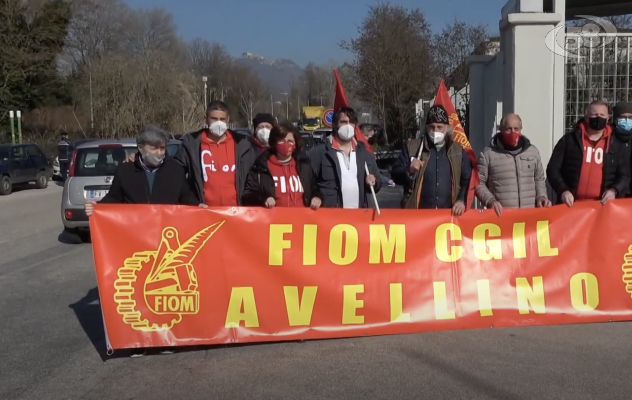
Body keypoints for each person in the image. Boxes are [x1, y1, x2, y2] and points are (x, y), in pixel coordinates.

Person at [84, 125, 203, 357]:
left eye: (163, 148)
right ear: (140, 148)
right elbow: (114, 198)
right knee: (140, 293)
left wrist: (199, 208)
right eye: (155, 148)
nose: (161, 152)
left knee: (166, 293)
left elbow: (187, 197)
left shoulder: (175, 171)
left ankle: (167, 339)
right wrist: (97, 209)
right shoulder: (126, 171)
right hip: (136, 245)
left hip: (165, 244)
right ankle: (140, 340)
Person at [126, 101, 256, 206]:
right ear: (206, 119)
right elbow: (174, 169)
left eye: (222, 119)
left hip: (237, 213)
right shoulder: (192, 143)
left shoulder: (242, 144)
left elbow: (255, 177)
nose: (218, 123)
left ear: (228, 120)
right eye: (214, 118)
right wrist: (139, 158)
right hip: (203, 211)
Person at [547, 100, 630, 207]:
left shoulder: (616, 144)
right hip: (571, 205)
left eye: (602, 115)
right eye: (595, 115)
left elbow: (624, 175)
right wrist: (563, 190)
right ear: (586, 117)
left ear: (608, 118)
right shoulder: (569, 140)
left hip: (604, 206)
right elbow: (553, 169)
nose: (598, 118)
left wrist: (614, 191)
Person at [391, 104, 471, 215]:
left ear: (447, 128)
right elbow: (395, 174)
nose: (435, 131)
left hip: (449, 215)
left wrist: (461, 200)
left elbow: (467, 178)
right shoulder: (413, 147)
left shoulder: (457, 150)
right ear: (426, 127)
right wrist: (409, 170)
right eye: (432, 127)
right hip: (418, 215)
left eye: (439, 127)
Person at [476, 113, 551, 216]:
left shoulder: (532, 152)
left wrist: (541, 197)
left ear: (521, 129)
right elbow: (478, 182)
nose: (513, 132)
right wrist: (490, 201)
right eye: (508, 129)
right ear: (501, 130)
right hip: (502, 217)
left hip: (529, 216)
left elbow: (539, 179)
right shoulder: (488, 154)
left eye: (516, 129)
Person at [308, 107, 381, 208]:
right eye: (343, 122)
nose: (348, 125)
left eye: (351, 122)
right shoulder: (319, 153)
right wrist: (316, 196)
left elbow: (378, 181)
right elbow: (307, 182)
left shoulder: (364, 152)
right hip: (331, 218)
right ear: (334, 124)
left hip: (360, 217)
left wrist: (374, 182)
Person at [242, 122, 322, 209]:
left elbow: (315, 189)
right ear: (274, 142)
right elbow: (248, 195)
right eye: (281, 140)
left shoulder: (304, 165)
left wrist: (317, 197)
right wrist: (263, 199)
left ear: (295, 144)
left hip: (301, 219)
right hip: (273, 220)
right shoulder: (261, 167)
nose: (286, 144)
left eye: (290, 141)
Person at [612, 101, 632, 196]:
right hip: (614, 191)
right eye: (623, 117)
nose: (627, 120)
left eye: (630, 117)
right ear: (616, 119)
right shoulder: (609, 138)